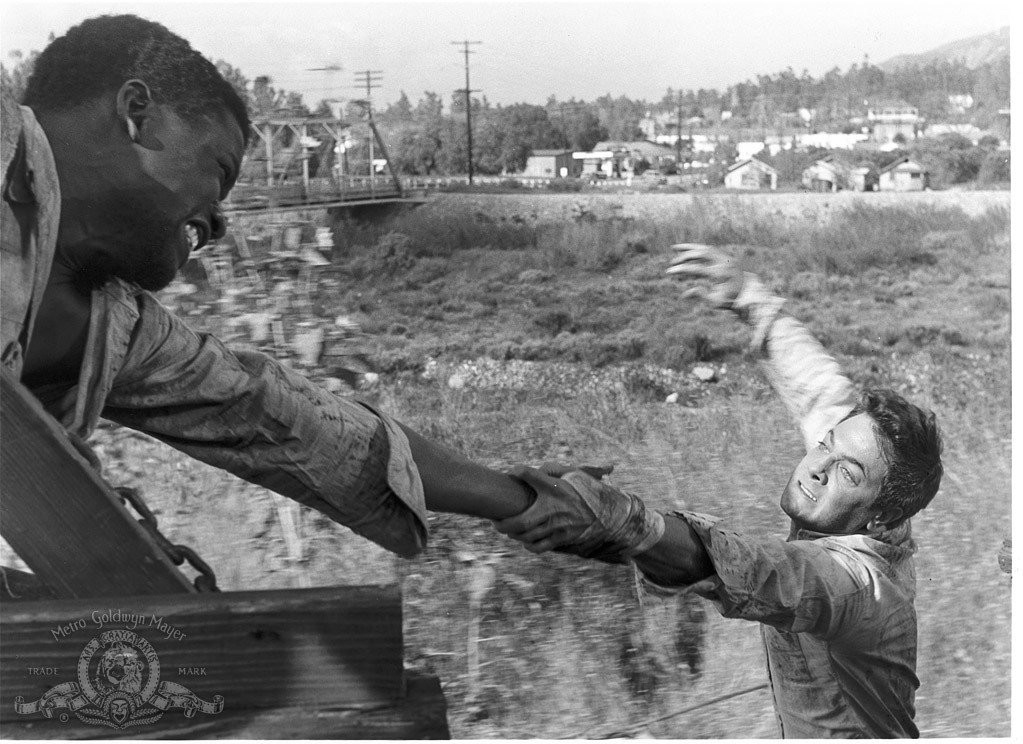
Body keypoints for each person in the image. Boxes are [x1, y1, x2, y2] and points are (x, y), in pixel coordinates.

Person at [1, 14, 549, 570]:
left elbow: (286, 419)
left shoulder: (116, 331)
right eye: (219, 172)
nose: (219, 225)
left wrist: (539, 501)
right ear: (136, 113)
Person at [497, 244, 943, 738]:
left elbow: (759, 572)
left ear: (881, 519)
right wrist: (751, 298)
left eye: (847, 475)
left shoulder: (857, 583)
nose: (817, 467)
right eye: (825, 446)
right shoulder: (873, 479)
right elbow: (824, 393)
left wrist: (621, 520)